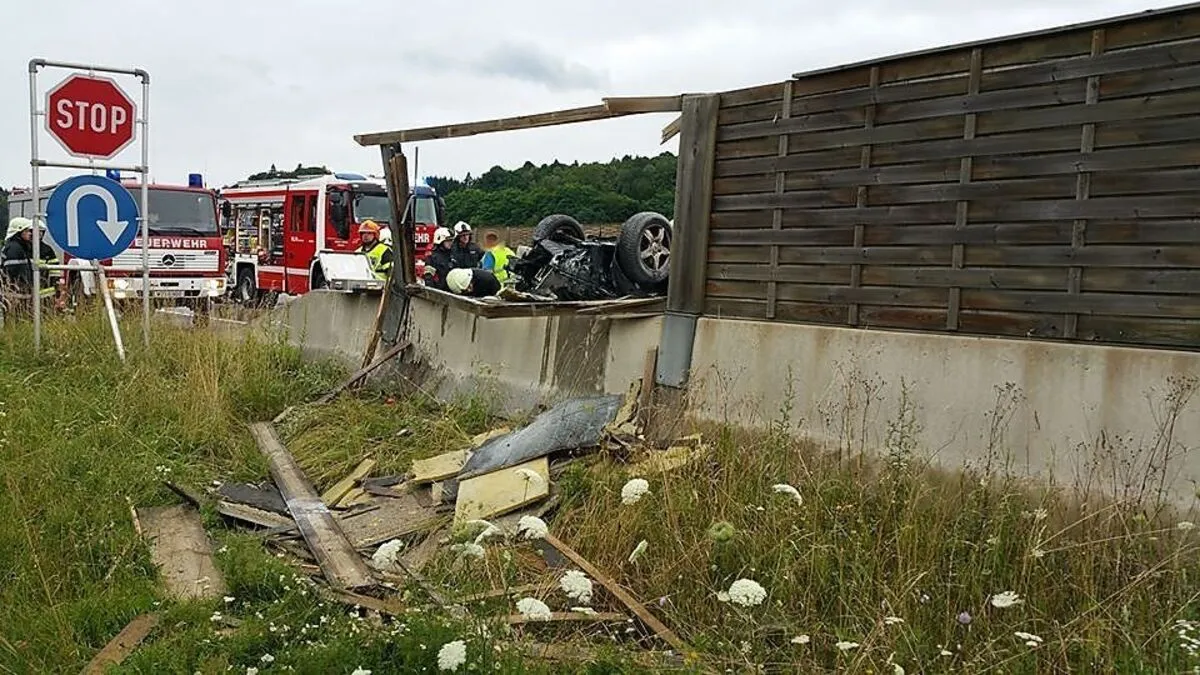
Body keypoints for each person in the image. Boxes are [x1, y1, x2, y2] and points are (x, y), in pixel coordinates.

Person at [1, 217, 63, 312]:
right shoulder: (16, 249)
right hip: (20, 298)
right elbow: (16, 274)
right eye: (28, 231)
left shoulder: (45, 250)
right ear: (19, 232)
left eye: (42, 232)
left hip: (41, 295)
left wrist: (57, 292)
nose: (32, 234)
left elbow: (55, 272)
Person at [423, 227, 455, 291]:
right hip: (440, 292)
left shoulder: (453, 255)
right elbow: (428, 279)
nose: (450, 243)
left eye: (451, 240)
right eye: (448, 240)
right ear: (439, 240)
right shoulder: (432, 258)